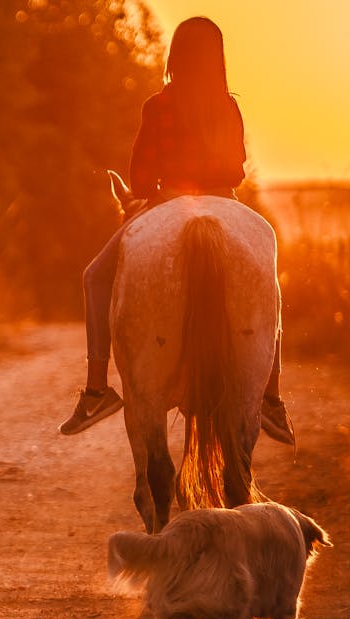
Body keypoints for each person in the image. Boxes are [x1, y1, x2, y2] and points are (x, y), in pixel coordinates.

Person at [57, 17, 294, 444]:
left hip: (168, 201)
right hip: (225, 200)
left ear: (174, 55)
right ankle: (272, 396)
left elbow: (142, 180)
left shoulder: (157, 106)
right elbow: (237, 170)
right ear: (218, 58)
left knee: (94, 277)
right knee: (270, 282)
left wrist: (160, 189)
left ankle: (96, 390)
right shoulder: (228, 106)